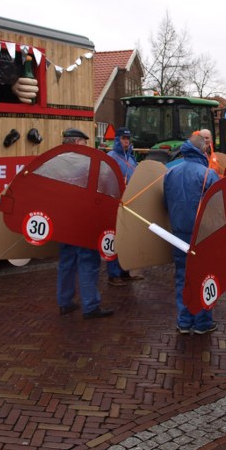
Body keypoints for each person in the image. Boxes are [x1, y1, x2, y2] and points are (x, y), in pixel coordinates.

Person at [164, 133, 220, 334]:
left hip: (178, 234)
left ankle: (184, 321)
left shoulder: (171, 173)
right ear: (203, 151)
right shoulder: (208, 174)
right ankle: (202, 322)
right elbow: (218, 208)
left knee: (182, 277)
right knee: (203, 277)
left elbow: (165, 203)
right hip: (201, 236)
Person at [57, 128, 114, 319]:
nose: (86, 146)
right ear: (76, 143)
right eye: (83, 143)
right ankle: (90, 306)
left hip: (63, 221)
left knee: (66, 262)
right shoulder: (83, 163)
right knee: (88, 261)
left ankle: (64, 302)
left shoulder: (55, 161)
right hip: (82, 221)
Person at [107, 127, 144, 286]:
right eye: (123, 138)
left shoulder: (131, 158)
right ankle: (113, 274)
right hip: (116, 203)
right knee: (115, 239)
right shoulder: (111, 157)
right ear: (117, 139)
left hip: (130, 203)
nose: (126, 141)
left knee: (126, 239)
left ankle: (125, 270)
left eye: (128, 139)